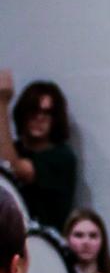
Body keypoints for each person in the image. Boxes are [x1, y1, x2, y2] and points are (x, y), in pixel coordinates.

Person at [0, 73, 78, 231]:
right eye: (33, 111)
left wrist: (2, 102)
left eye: (47, 113)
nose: (39, 118)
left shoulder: (62, 156)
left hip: (45, 244)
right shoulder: (15, 149)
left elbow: (14, 170)